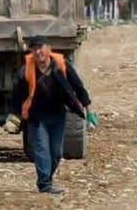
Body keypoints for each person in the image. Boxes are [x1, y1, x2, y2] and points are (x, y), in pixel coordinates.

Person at [6, 35, 96, 196]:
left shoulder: (61, 65)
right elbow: (17, 96)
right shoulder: (26, 70)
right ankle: (45, 184)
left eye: (42, 47)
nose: (39, 51)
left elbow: (78, 86)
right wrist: (13, 117)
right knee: (41, 150)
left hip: (57, 115)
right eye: (35, 48)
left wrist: (89, 112)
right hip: (36, 117)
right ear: (31, 51)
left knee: (56, 153)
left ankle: (46, 178)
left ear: (49, 48)